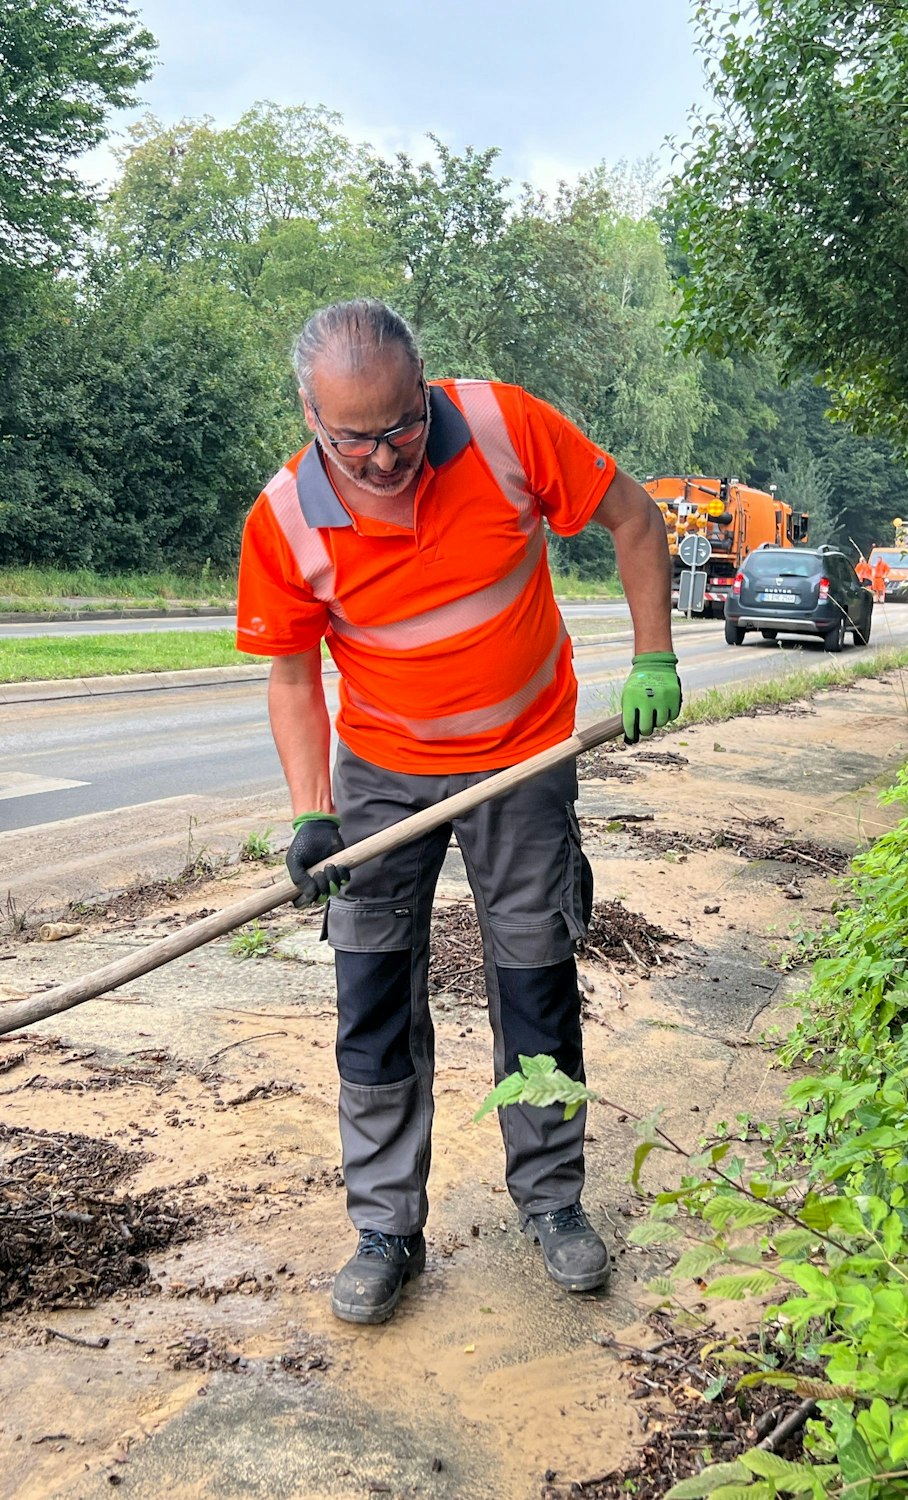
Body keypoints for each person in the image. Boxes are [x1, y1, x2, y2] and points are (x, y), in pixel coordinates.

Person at [234, 299, 678, 1325]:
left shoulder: (502, 428)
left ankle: (552, 1202)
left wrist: (652, 655)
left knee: (533, 983)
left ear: (423, 386)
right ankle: (385, 1228)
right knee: (373, 1000)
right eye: (355, 438)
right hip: (381, 775)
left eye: (401, 424)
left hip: (524, 758)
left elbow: (634, 519)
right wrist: (311, 816)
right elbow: (293, 677)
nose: (385, 456)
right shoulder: (286, 518)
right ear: (309, 413)